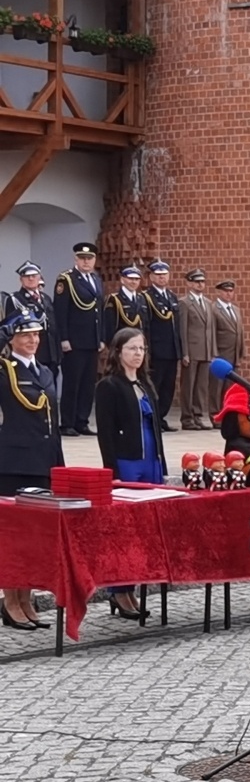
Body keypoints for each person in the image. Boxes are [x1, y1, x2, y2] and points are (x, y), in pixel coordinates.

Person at [94, 328, 165, 621]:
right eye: (132, 348)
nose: (138, 354)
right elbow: (106, 433)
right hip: (127, 463)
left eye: (142, 348)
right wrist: (111, 470)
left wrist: (161, 464)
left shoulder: (145, 384)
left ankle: (133, 585)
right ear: (118, 351)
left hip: (150, 462)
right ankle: (118, 589)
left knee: (145, 531)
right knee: (124, 530)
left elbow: (156, 428)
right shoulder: (109, 386)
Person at [0, 312, 64, 631]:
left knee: (33, 537)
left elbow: (52, 423)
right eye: (25, 335)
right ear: (11, 338)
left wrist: (58, 465)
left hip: (41, 463)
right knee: (13, 537)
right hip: (13, 464)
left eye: (37, 334)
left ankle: (26, 599)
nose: (33, 340)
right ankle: (10, 601)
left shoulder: (45, 371)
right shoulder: (3, 371)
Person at [52, 242, 104, 437]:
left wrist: (101, 337)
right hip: (74, 341)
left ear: (94, 260)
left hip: (91, 340)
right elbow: (61, 311)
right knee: (72, 383)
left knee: (87, 384)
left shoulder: (96, 280)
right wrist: (64, 338)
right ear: (76, 259)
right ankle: (67, 422)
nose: (86, 262)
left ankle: (82, 421)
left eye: (89, 258)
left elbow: (98, 311)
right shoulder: (66, 279)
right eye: (82, 258)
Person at [142, 260, 183, 432]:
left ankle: (161, 417)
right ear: (151, 277)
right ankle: (152, 418)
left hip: (172, 350)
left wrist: (180, 350)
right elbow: (146, 326)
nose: (162, 278)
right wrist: (147, 350)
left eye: (164, 275)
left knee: (168, 387)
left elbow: (176, 327)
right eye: (158, 275)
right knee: (155, 385)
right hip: (157, 350)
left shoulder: (172, 297)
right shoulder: (147, 297)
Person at [5, 262, 61, 379]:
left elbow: (53, 326)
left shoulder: (46, 298)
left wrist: (57, 353)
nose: (31, 279)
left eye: (34, 276)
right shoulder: (15, 299)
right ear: (21, 279)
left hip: (51, 354)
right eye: (27, 276)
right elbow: (11, 330)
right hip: (31, 353)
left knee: (50, 386)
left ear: (39, 277)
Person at [178, 268, 217, 430]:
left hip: (205, 350)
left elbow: (211, 329)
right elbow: (183, 329)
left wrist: (212, 351)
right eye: (196, 282)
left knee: (201, 386)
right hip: (192, 351)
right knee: (188, 385)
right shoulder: (185, 303)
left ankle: (198, 415)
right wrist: (184, 352)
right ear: (189, 284)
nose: (200, 285)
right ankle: (187, 418)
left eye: (202, 282)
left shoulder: (208, 303)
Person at [210, 279, 245, 413]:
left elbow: (240, 332)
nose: (229, 294)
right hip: (221, 353)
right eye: (225, 291)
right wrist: (213, 353)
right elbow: (212, 332)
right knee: (217, 386)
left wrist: (241, 351)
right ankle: (215, 413)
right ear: (219, 292)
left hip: (234, 353)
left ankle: (227, 411)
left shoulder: (235, 309)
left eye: (231, 291)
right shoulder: (214, 309)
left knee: (230, 386)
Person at [104, 265, 150, 347]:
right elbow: (110, 327)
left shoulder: (142, 299)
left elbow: (146, 326)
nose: (134, 282)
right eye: (130, 279)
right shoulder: (114, 299)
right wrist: (113, 347)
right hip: (122, 344)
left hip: (139, 344)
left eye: (136, 279)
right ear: (122, 280)